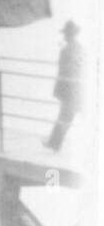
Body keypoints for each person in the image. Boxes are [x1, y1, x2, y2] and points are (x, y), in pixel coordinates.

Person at [46, 21, 84, 151]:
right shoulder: (79, 48)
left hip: (69, 89)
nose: (64, 36)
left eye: (66, 34)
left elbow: (65, 70)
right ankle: (54, 143)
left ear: (69, 35)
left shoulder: (67, 49)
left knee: (65, 116)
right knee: (67, 116)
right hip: (76, 89)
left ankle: (54, 144)